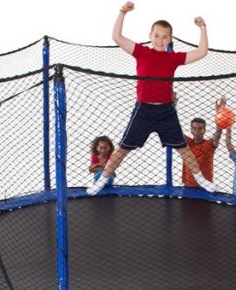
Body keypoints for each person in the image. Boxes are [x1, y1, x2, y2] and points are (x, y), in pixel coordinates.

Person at [86, 1, 216, 196]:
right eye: (156, 36)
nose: (160, 40)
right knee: (122, 149)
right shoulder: (141, 52)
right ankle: (102, 180)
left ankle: (200, 179)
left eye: (164, 37)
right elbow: (117, 37)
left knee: (183, 149)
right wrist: (122, 13)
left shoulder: (173, 58)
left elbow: (202, 52)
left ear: (170, 39)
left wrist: (203, 28)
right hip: (143, 110)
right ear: (150, 36)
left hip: (166, 111)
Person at [182, 97, 226, 187]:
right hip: (188, 188)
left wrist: (220, 113)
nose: (197, 130)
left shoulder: (209, 144)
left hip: (205, 188)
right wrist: (172, 106)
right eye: (194, 128)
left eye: (200, 128)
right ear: (191, 130)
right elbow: (175, 129)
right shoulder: (188, 143)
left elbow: (218, 132)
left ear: (204, 130)